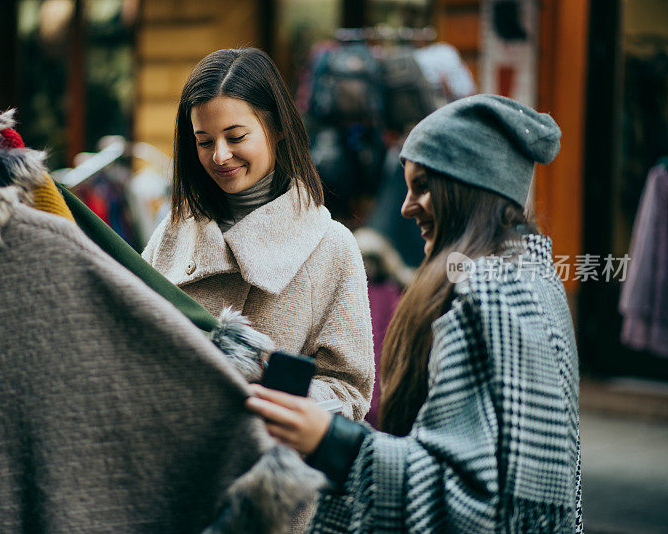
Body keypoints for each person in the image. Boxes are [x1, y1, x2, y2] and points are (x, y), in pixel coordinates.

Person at [247, 94, 583, 533]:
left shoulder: (493, 293)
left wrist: (335, 443)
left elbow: (489, 507)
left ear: (469, 189)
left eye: (422, 186)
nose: (406, 207)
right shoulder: (527, 277)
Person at [143, 48, 374, 420]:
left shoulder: (331, 246)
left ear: (278, 127)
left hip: (267, 464)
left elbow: (349, 391)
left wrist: (263, 384)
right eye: (204, 141)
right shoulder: (172, 232)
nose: (219, 156)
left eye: (235, 137)